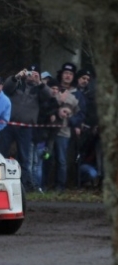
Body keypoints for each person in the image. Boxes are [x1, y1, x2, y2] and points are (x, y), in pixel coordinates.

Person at [0, 64, 51, 192]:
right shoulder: (17, 84)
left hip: (26, 128)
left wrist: (40, 83)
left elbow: (49, 96)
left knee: (24, 158)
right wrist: (16, 77)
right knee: (1, 154)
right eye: (29, 73)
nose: (31, 76)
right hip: (9, 125)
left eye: (34, 74)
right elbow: (5, 89)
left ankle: (24, 186)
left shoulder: (39, 89)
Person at [53, 62, 86, 192]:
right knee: (46, 158)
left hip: (65, 131)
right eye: (66, 73)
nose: (67, 76)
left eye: (70, 74)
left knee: (62, 160)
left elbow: (82, 113)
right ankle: (42, 184)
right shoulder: (53, 88)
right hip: (48, 129)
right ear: (61, 74)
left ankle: (60, 186)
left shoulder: (77, 94)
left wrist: (72, 120)